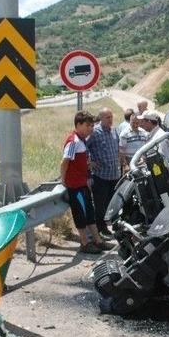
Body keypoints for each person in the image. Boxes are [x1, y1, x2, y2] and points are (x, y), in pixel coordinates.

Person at [60, 111, 110, 254]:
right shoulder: (73, 141)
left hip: (83, 184)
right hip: (75, 186)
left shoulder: (81, 140)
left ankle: (98, 241)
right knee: (81, 214)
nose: (91, 129)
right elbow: (65, 161)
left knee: (89, 213)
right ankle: (85, 243)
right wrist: (63, 179)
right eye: (88, 125)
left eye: (92, 126)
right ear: (79, 124)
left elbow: (79, 161)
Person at [86, 108, 121, 237]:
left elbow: (117, 149)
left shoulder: (114, 131)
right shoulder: (94, 132)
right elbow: (83, 147)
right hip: (100, 176)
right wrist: (89, 162)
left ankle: (106, 226)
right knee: (99, 205)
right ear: (100, 119)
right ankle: (99, 229)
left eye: (111, 116)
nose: (110, 119)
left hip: (114, 175)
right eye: (107, 117)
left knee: (110, 204)